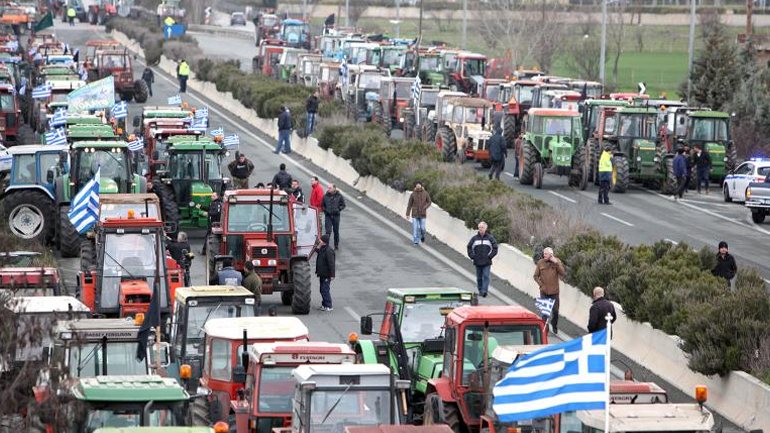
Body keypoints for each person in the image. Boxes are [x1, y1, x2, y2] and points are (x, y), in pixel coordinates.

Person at [533, 247, 566, 334]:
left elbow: (563, 273)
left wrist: (557, 263)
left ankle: (554, 325)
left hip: (554, 292)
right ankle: (544, 330)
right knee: (545, 313)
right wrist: (541, 285)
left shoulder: (557, 261)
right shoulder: (540, 263)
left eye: (546, 254)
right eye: (544, 254)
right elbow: (535, 276)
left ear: (551, 254)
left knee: (555, 311)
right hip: (544, 292)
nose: (544, 255)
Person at [466, 222, 498, 298]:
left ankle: (484, 291)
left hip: (487, 262)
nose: (481, 229)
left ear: (486, 228)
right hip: (477, 262)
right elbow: (469, 247)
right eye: (479, 227)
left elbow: (495, 248)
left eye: (482, 227)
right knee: (479, 278)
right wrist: (473, 256)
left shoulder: (490, 238)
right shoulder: (474, 238)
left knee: (486, 276)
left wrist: (490, 256)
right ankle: (480, 290)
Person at [321, 184, 346, 250]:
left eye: (330, 188)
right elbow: (322, 205)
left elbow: (343, 205)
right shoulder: (325, 196)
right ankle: (326, 245)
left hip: (336, 216)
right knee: (328, 231)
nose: (328, 189)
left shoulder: (339, 196)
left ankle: (336, 244)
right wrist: (325, 211)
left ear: (334, 188)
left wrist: (338, 210)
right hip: (328, 216)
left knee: (336, 230)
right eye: (328, 188)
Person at [315, 234, 336, 311]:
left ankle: (329, 306)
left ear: (324, 242)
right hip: (322, 274)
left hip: (327, 275)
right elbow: (319, 252)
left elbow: (331, 264)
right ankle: (324, 305)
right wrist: (315, 248)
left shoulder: (328, 251)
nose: (319, 241)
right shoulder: (323, 248)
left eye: (320, 240)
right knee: (322, 289)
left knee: (325, 289)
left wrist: (332, 275)